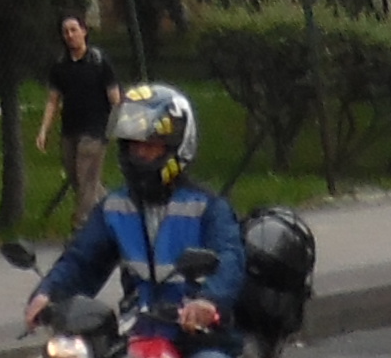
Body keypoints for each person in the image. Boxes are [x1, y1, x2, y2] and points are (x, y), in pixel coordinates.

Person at [18, 81, 243, 345]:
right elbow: (82, 260)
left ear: (176, 146)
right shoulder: (114, 207)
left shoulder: (208, 207)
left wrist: (208, 300)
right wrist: (48, 293)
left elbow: (229, 259)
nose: (140, 154)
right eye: (134, 146)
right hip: (138, 334)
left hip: (200, 337)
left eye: (151, 146)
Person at [36, 10, 120, 212]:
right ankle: (113, 208)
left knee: (86, 178)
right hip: (70, 129)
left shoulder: (98, 62)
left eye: (74, 30)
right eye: (65, 31)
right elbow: (53, 101)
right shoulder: (60, 66)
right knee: (78, 179)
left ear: (84, 31)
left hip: (95, 131)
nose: (70, 35)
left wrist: (116, 127)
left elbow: (115, 98)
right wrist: (43, 131)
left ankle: (82, 224)